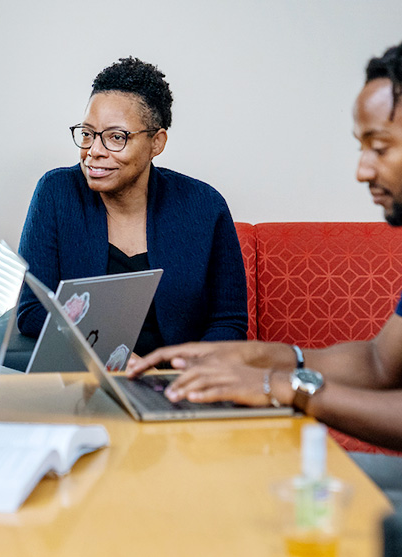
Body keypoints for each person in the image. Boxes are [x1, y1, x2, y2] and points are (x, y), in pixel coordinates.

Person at [128, 35, 402, 506]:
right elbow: (381, 364)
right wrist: (255, 359)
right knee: (243, 480)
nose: (363, 170)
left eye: (380, 147)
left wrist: (282, 388)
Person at [17, 57, 248, 358]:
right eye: (87, 134)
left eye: (116, 137)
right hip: (88, 383)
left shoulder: (204, 207)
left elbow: (228, 321)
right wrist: (117, 359)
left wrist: (179, 377)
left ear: (157, 142)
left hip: (181, 387)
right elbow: (31, 310)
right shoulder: (56, 193)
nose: (94, 152)